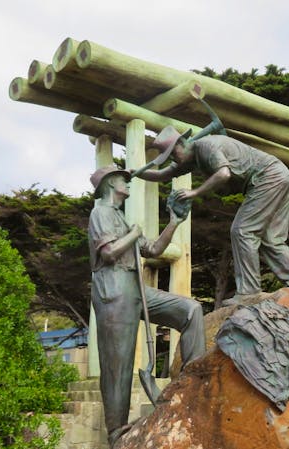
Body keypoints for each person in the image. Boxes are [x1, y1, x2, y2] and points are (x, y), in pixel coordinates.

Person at [87, 165, 205, 446]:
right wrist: (133, 233)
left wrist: (175, 221)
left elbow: (152, 249)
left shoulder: (120, 217)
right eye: (123, 180)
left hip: (134, 289)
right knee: (119, 363)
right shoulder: (100, 212)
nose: (127, 184)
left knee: (191, 310)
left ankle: (193, 384)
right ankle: (116, 431)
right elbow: (109, 253)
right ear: (109, 184)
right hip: (113, 291)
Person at [134, 126, 289, 304]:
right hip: (280, 176)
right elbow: (163, 174)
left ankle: (248, 292)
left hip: (269, 178)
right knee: (271, 240)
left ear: (182, 143)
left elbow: (223, 173)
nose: (173, 159)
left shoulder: (206, 147)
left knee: (242, 231)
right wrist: (135, 173)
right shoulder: (191, 157)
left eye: (173, 154)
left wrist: (195, 192)